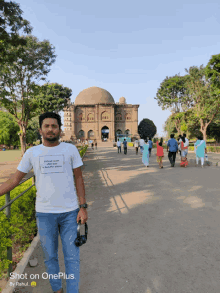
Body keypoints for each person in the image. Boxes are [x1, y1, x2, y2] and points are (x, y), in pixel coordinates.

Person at [0, 112, 88, 293]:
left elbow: (79, 178)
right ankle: (57, 289)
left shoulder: (70, 150)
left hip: (70, 212)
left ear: (60, 130)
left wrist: (83, 207)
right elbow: (14, 180)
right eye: (46, 126)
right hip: (45, 214)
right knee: (50, 257)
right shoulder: (33, 153)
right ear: (40, 130)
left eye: (54, 126)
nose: (50, 129)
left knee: (72, 257)